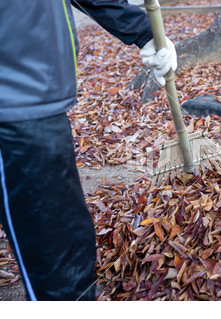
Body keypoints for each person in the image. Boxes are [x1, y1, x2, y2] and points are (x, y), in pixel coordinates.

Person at [0, 0, 176, 301]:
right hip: (14, 102)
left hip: (38, 96)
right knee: (59, 269)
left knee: (68, 250)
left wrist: (143, 31)